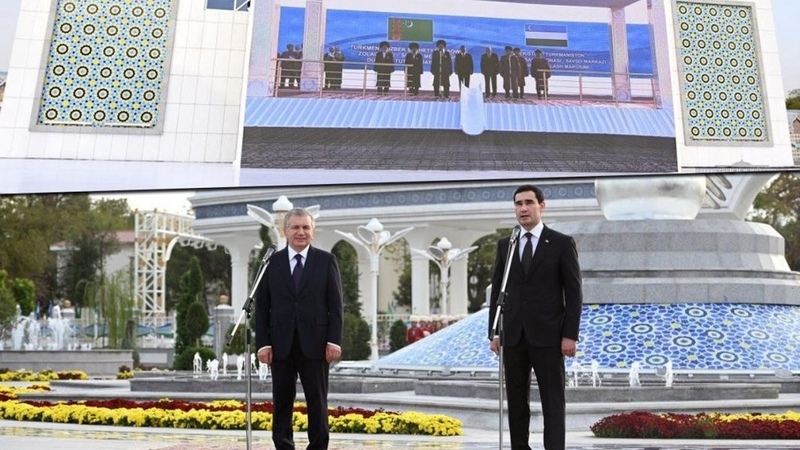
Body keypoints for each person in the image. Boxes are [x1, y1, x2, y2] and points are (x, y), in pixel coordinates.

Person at [487, 184, 583, 450]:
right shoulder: (506, 244)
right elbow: (498, 290)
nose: (523, 208)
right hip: (513, 336)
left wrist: (570, 335)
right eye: (518, 204)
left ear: (542, 206)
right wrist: (494, 332)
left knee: (553, 401)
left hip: (549, 337)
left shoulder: (561, 243)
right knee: (517, 402)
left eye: (529, 202)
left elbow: (574, 293)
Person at [255, 208, 344, 450]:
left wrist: (334, 341)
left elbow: (336, 306)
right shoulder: (270, 263)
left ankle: (318, 446)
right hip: (280, 344)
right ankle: (284, 446)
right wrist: (263, 343)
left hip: (316, 344)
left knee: (317, 402)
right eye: (295, 227)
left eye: (306, 227)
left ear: (313, 232)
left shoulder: (326, 261)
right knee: (282, 402)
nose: (301, 232)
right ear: (285, 231)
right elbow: (262, 307)